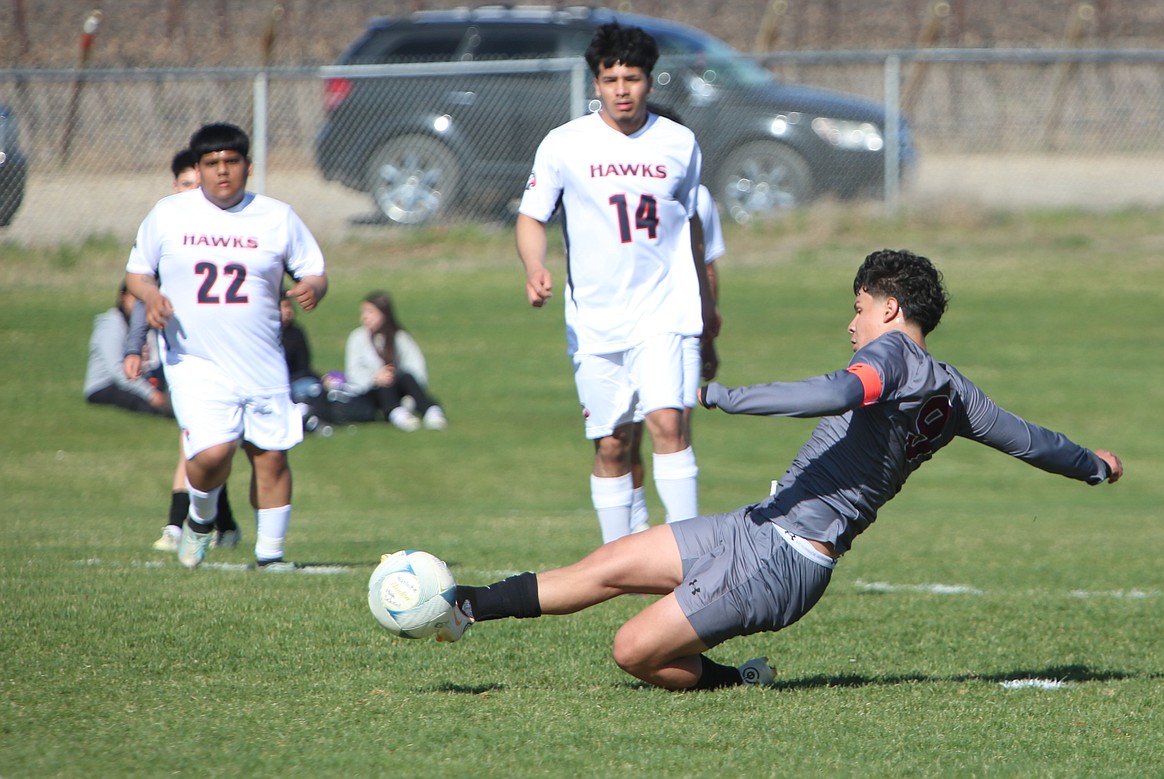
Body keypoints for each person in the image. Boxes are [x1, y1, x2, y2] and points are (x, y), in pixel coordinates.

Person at [436, 249, 1123, 692]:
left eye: (858, 308)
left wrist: (718, 396)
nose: (852, 324)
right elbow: (1032, 440)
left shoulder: (890, 360)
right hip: (760, 524)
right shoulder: (956, 391)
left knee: (631, 649)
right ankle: (467, 602)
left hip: (784, 559)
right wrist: (1093, 465)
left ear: (888, 307)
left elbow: (833, 392)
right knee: (607, 564)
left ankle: (735, 682)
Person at [516, 22, 717, 544]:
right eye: (611, 79)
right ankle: (617, 556)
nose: (621, 89)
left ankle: (688, 554)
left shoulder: (679, 142)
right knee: (611, 444)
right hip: (596, 319)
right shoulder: (565, 145)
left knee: (668, 426)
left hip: (663, 311)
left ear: (650, 81)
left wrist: (706, 305)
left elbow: (692, 225)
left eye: (632, 77)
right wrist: (535, 267)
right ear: (596, 84)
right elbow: (531, 217)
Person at [125, 122, 328, 571]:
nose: (222, 171)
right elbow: (137, 273)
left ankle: (271, 558)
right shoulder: (169, 213)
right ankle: (200, 518)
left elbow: (313, 270)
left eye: (231, 162)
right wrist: (151, 296)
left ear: (247, 166)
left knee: (270, 456)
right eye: (212, 163)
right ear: (198, 169)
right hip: (195, 360)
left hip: (261, 360)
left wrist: (313, 287)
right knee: (213, 453)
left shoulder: (276, 216)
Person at [123, 148, 241, 553]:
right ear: (176, 187)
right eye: (189, 184)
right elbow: (142, 289)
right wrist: (134, 344)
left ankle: (218, 521)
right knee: (196, 439)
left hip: (233, 354)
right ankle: (180, 525)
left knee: (214, 445)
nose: (198, 191)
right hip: (183, 357)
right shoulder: (168, 226)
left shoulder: (231, 228)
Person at [629, 180, 724, 533]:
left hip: (678, 329)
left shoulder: (697, 194)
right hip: (622, 328)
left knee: (674, 428)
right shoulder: (608, 186)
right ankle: (635, 533)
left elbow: (707, 264)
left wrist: (706, 339)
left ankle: (679, 540)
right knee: (627, 435)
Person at [338, 290, 447, 431]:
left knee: (405, 376)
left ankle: (430, 410)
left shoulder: (400, 337)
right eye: (363, 313)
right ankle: (396, 413)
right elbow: (353, 371)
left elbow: (416, 367)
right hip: (369, 392)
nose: (365, 317)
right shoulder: (357, 338)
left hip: (398, 388)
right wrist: (375, 378)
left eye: (370, 312)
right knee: (385, 383)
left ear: (384, 314)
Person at [84, 281, 172, 416]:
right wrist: (151, 394)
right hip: (106, 385)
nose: (139, 306)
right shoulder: (111, 324)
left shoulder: (146, 323)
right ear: (123, 297)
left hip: (137, 381)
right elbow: (117, 370)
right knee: (150, 407)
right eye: (135, 299)